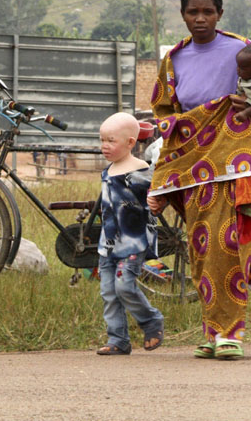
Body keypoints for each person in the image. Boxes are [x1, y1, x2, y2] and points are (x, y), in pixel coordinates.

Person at [147, 0, 251, 360]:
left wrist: (244, 105)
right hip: (192, 163)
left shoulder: (244, 51)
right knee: (200, 246)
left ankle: (230, 333)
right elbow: (164, 110)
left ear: (220, 14)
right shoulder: (173, 59)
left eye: (207, 11)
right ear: (182, 15)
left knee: (225, 241)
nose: (200, 19)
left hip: (235, 161)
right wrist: (185, 124)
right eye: (192, 12)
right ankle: (213, 330)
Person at [95, 112, 164, 356]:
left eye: (111, 140)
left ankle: (151, 321)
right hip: (108, 244)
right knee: (109, 293)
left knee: (124, 286)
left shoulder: (141, 173)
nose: (105, 146)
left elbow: (154, 203)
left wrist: (150, 241)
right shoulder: (108, 171)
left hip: (132, 243)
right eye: (102, 140)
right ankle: (118, 339)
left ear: (130, 143)